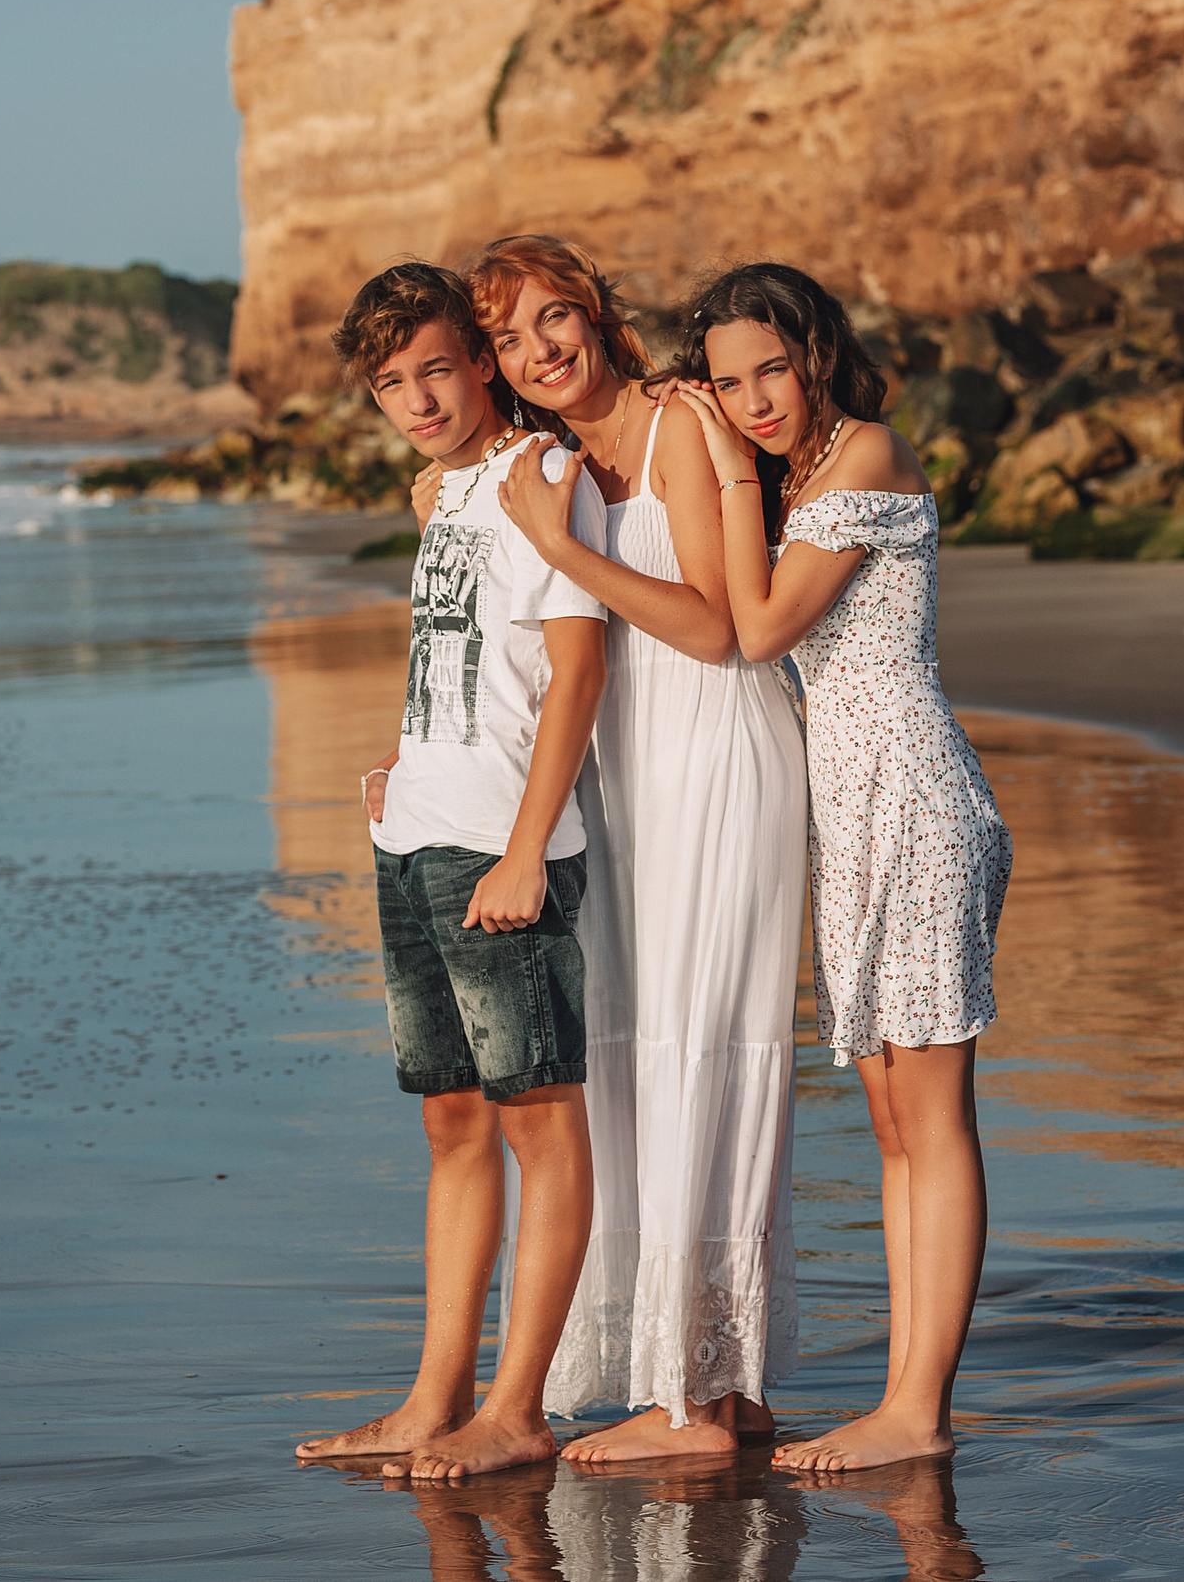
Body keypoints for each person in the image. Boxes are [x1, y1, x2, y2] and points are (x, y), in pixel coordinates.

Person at [667, 262, 1012, 1473]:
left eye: (769, 368)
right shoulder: (802, 475)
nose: (754, 399)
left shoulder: (865, 453)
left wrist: (717, 460)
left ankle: (917, 1409)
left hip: (913, 803)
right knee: (890, 1121)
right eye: (726, 384)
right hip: (851, 818)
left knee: (931, 1114)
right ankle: (903, 1398)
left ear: (814, 351)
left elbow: (757, 627)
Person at [469, 235, 808, 1459]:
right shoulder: (545, 461)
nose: (537, 350)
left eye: (553, 318)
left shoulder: (678, 426)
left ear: (597, 312)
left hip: (716, 756)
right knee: (640, 1060)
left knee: (705, 1052)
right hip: (625, 780)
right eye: (507, 338)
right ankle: (722, 1385)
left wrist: (570, 551)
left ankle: (698, 1410)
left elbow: (718, 629)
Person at [290, 261, 611, 1481]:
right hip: (417, 829)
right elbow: (469, 658)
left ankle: (518, 1409)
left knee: (539, 1120)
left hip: (500, 847)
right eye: (391, 384)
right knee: (451, 1123)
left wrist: (529, 848)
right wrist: (405, 754)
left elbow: (576, 669)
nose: (417, 399)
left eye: (435, 369)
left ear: (479, 361)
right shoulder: (445, 495)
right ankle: (435, 1398)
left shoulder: (539, 479)